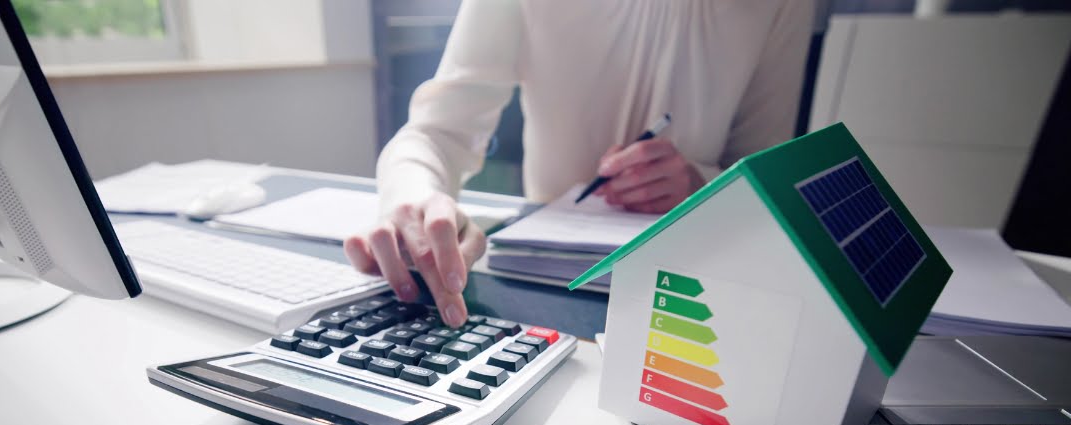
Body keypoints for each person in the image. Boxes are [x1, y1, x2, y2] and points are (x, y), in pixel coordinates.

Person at [344, 0, 815, 326]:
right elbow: (435, 132)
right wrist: (413, 198)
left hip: (695, 293)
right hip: (544, 292)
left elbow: (766, 173)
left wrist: (700, 184)